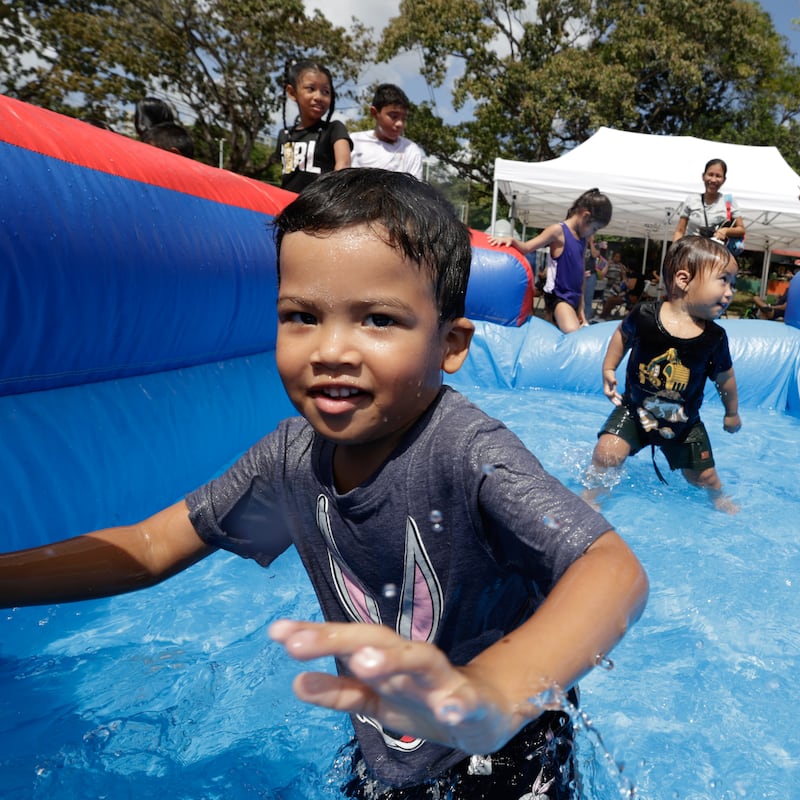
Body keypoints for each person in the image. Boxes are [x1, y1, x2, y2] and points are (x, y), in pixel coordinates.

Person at [0, 169, 648, 800]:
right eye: (301, 315)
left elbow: (610, 568)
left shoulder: (463, 453)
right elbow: (148, 549)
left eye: (378, 320)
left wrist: (493, 691)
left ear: (450, 345)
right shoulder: (289, 469)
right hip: (386, 745)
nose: (331, 348)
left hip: (503, 747)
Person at [583, 236, 742, 514]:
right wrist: (609, 368)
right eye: (723, 280)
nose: (730, 292)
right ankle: (591, 497)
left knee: (703, 478)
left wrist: (732, 412)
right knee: (606, 453)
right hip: (635, 411)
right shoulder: (645, 315)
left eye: (733, 283)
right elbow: (622, 335)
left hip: (683, 424)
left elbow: (725, 378)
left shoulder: (714, 338)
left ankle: (719, 498)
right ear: (684, 279)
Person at [487, 188, 611, 333]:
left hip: (575, 297)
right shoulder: (557, 231)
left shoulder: (582, 239)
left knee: (578, 332)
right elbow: (527, 247)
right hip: (559, 297)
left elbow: (581, 274)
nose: (593, 233)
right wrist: (511, 240)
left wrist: (582, 308)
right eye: (594, 228)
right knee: (573, 333)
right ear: (585, 216)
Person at [275, 59, 352, 193]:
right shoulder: (284, 135)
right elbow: (286, 172)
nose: (318, 97)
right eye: (311, 89)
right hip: (288, 206)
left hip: (320, 207)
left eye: (325, 92)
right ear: (292, 92)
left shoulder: (334, 129)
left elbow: (343, 166)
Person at [350, 83, 425, 178]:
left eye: (404, 118)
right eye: (394, 116)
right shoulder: (353, 142)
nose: (400, 124)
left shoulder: (410, 150)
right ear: (374, 113)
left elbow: (414, 190)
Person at [673, 158, 746, 253]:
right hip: (691, 253)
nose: (713, 180)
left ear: (724, 180)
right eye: (710, 174)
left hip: (716, 256)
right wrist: (674, 252)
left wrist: (725, 231)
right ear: (703, 176)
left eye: (718, 176)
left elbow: (741, 229)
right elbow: (680, 230)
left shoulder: (729, 201)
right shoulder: (691, 200)